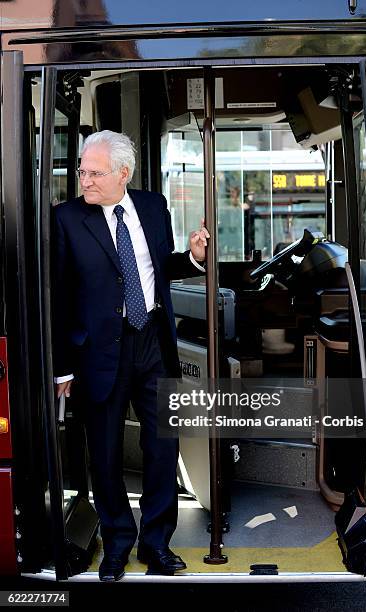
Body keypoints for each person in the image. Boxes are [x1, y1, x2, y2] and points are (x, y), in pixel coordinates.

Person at [52, 130, 209, 581]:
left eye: (95, 172)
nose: (85, 179)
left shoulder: (154, 207)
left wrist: (194, 259)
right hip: (99, 353)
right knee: (104, 456)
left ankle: (156, 544)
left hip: (154, 344)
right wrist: (62, 367)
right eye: (82, 170)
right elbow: (58, 300)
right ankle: (118, 543)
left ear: (124, 173)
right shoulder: (65, 220)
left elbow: (158, 267)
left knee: (162, 449)